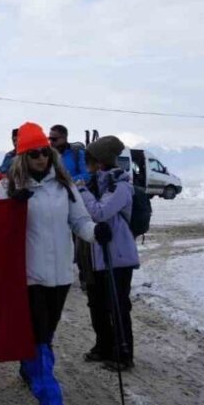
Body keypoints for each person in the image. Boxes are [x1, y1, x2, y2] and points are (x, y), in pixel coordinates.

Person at [0, 122, 96, 405]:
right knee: (39, 340)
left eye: (46, 153)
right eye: (35, 153)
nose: (41, 159)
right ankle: (52, 403)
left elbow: (80, 221)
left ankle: (28, 366)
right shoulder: (7, 187)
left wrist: (96, 233)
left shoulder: (64, 185)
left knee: (45, 336)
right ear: (23, 156)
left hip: (61, 275)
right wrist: (12, 206)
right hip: (27, 276)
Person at [78, 136, 140, 371]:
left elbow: (100, 212)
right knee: (98, 304)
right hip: (98, 257)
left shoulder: (120, 186)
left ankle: (123, 353)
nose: (87, 164)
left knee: (118, 306)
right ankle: (104, 346)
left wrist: (82, 191)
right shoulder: (100, 183)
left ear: (100, 161)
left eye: (90, 159)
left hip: (118, 258)